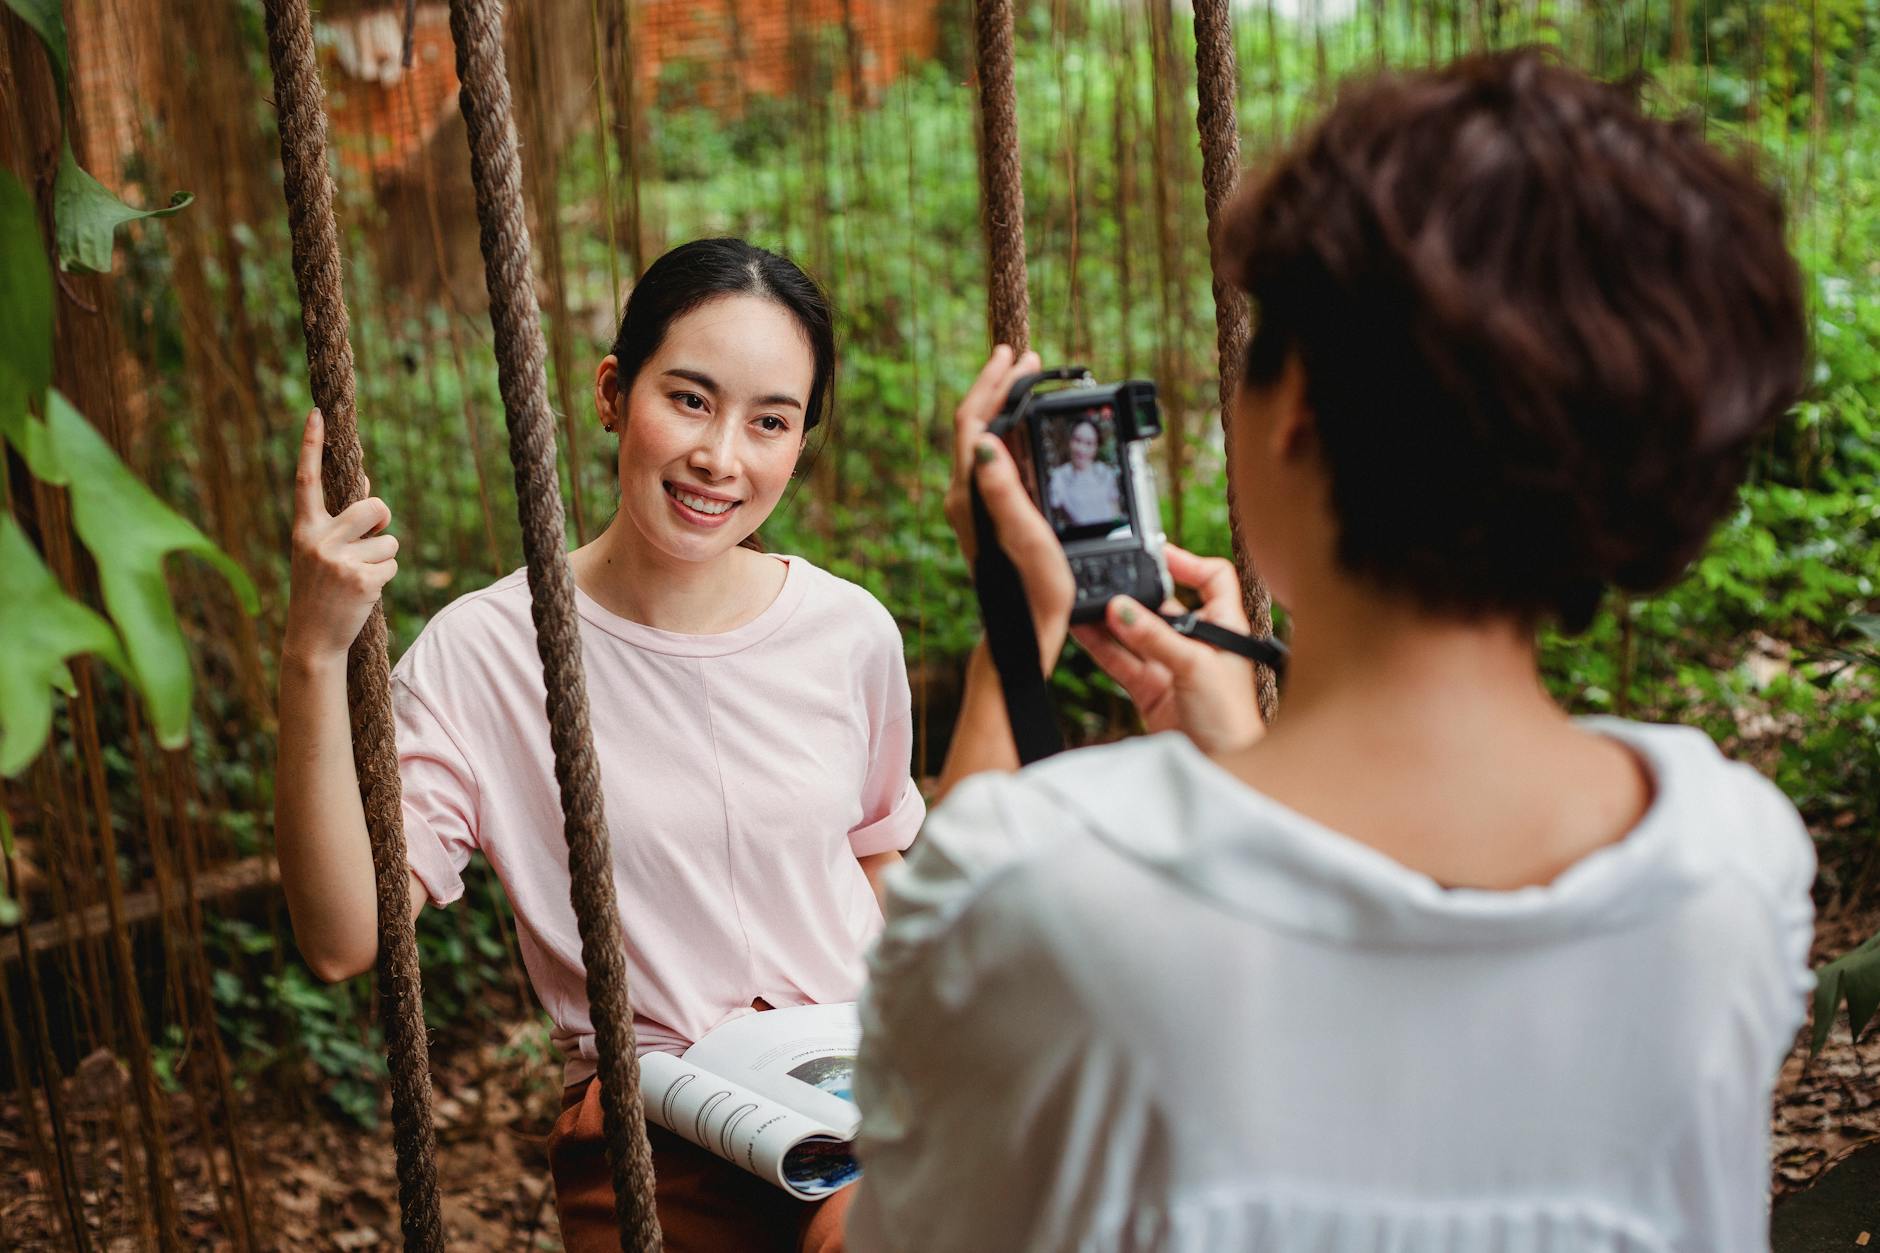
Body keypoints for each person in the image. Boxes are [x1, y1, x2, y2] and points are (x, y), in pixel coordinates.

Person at [849, 50, 1814, 1253]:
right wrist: (1244, 745)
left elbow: (917, 1165)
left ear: (1293, 407)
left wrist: (1012, 628)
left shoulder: (1041, 885)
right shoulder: (1730, 867)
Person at [275, 238, 923, 1252]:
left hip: (870, 1094)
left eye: (770, 421)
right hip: (656, 1123)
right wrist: (313, 657)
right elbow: (343, 935)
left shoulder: (848, 631)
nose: (722, 455)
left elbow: (877, 855)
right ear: (614, 393)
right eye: (691, 399)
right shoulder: (489, 650)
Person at [1046, 415, 1123, 527]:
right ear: (1070, 441)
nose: (1081, 449)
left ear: (1096, 447)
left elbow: (1115, 511)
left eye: (1089, 443)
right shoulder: (1060, 477)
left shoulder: (1105, 473)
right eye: (1077, 440)